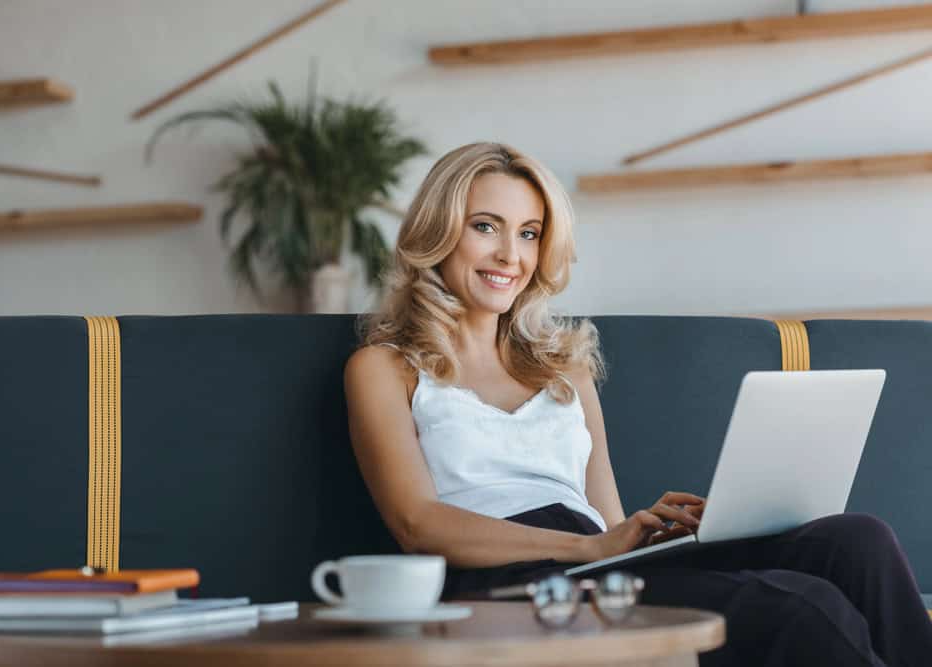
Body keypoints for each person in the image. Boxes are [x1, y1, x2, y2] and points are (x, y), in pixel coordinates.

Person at [343, 142, 932, 666]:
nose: (510, 255)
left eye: (528, 233)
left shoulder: (563, 365)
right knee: (803, 609)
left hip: (597, 565)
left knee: (858, 542)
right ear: (438, 231)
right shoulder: (385, 367)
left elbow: (605, 518)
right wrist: (586, 547)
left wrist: (649, 534)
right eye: (486, 226)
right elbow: (417, 524)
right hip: (504, 584)